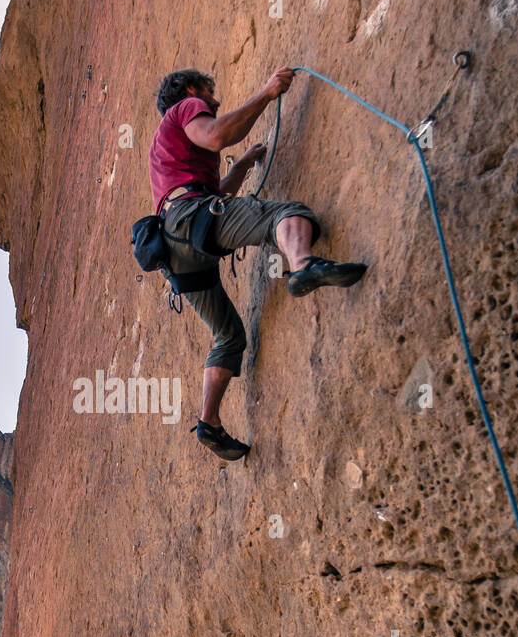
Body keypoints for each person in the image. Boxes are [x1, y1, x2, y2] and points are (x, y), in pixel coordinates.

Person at [148, 67, 367, 460]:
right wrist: (267, 93)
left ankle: (209, 422)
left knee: (229, 336)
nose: (214, 101)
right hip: (191, 219)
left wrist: (244, 165)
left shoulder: (172, 152)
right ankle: (302, 264)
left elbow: (215, 194)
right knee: (283, 214)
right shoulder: (185, 109)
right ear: (190, 89)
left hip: (176, 247)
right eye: (210, 93)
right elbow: (216, 135)